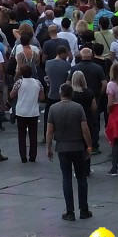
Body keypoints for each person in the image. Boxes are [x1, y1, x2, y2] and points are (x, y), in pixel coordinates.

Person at [46, 84, 92, 222]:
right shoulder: (78, 108)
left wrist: (48, 147)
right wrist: (89, 146)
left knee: (66, 178)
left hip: (62, 148)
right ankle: (84, 209)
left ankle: (70, 211)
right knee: (81, 178)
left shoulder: (53, 108)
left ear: (60, 93)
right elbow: (85, 129)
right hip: (78, 146)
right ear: (71, 93)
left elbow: (49, 131)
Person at [10, 64, 44, 164]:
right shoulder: (37, 82)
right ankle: (33, 156)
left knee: (22, 135)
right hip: (33, 112)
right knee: (33, 135)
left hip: (21, 111)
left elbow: (11, 95)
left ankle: (23, 156)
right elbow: (42, 97)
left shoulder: (19, 83)